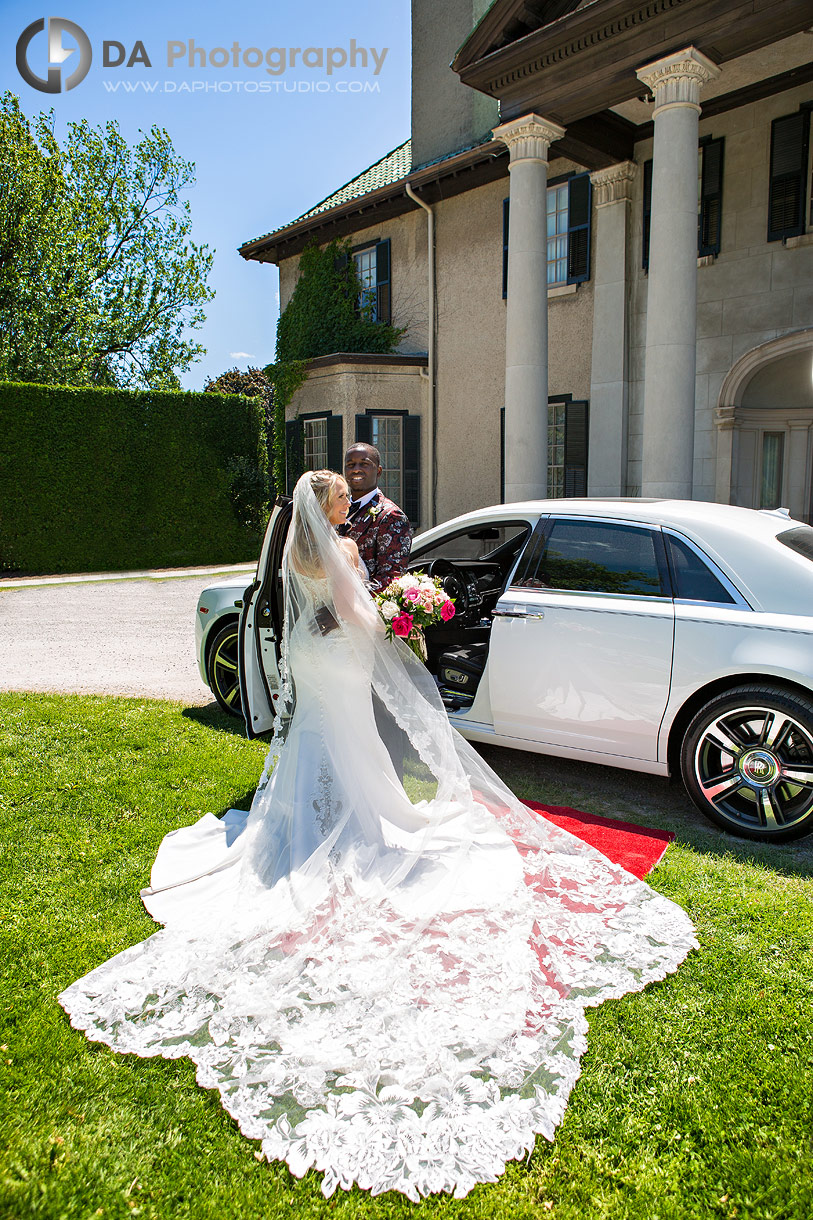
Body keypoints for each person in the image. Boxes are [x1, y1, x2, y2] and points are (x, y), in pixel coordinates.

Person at [59, 470, 697, 1203]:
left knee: (321, 739)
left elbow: (309, 604)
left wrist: (386, 608)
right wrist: (400, 615)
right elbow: (358, 610)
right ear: (327, 504)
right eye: (340, 496)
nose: (347, 504)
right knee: (351, 733)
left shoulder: (298, 544)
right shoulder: (341, 548)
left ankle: (318, 814)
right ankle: (360, 816)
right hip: (341, 649)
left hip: (308, 648)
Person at [338, 442, 412, 592]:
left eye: (364, 464)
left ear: (378, 471)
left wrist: (347, 603)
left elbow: (391, 578)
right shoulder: (335, 509)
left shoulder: (391, 516)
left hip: (362, 609)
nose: (356, 469)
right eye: (350, 465)